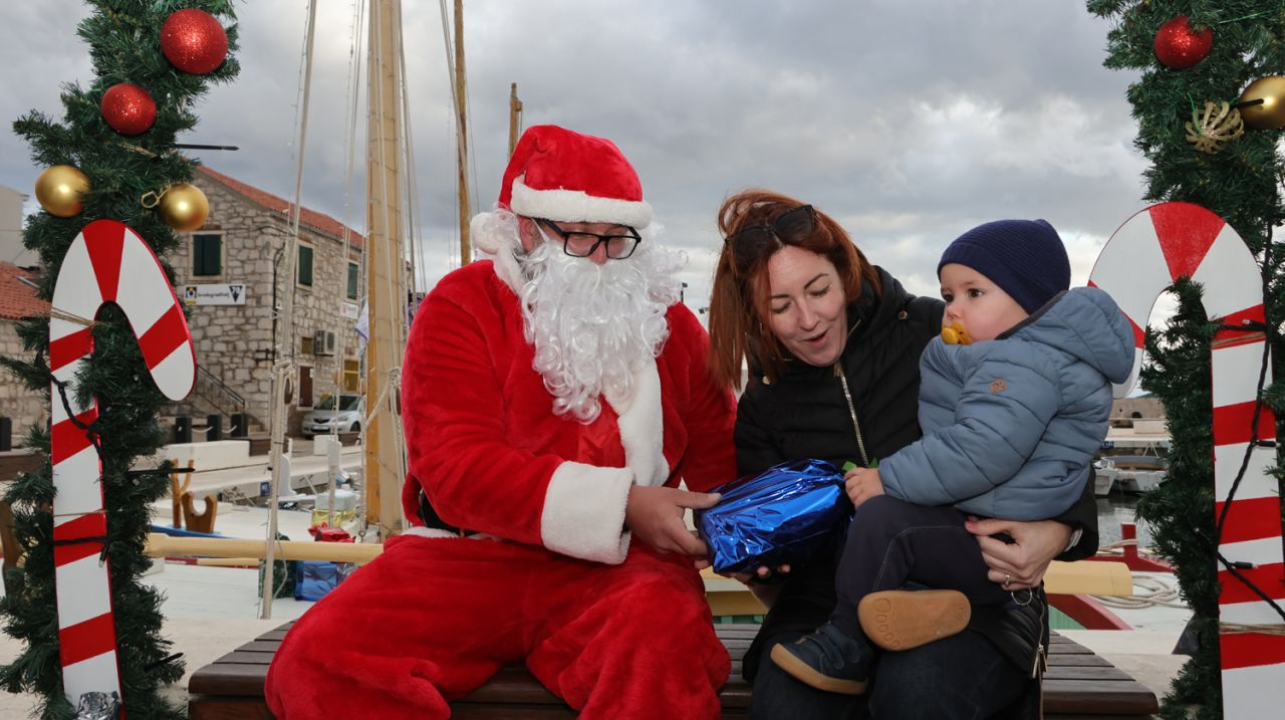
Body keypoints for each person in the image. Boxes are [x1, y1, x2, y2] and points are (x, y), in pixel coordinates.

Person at [265, 125, 738, 719]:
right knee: (321, 662)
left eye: (618, 241)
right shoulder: (461, 305)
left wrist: (715, 529)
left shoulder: (671, 328)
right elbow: (455, 468)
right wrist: (622, 504)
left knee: (660, 650)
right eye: (582, 238)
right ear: (525, 228)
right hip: (469, 558)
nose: (600, 260)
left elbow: (720, 457)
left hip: (624, 568)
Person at [706, 190, 1103, 719]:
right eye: (780, 306)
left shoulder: (940, 333)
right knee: (787, 701)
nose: (807, 319)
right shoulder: (764, 401)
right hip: (825, 603)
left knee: (920, 691)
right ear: (756, 314)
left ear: (844, 273)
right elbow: (773, 548)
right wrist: (758, 559)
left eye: (818, 289)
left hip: (969, 586)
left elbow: (1052, 427)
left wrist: (1060, 532)